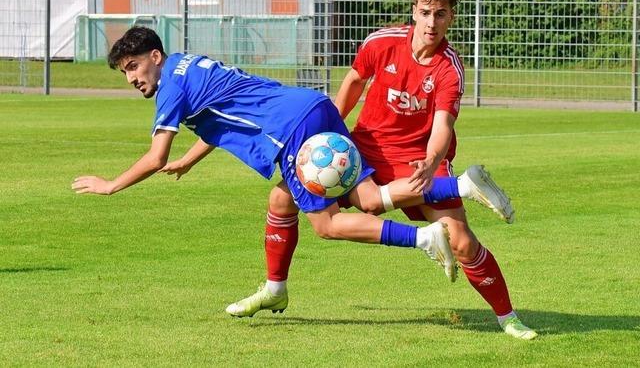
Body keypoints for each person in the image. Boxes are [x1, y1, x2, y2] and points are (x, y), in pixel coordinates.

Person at [71, 26, 506, 314]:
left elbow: (155, 156)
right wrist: (192, 158)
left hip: (291, 135)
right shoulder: (189, 63)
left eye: (133, 67)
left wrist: (110, 185)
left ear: (155, 56)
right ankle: (462, 184)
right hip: (313, 108)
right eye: (123, 73)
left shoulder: (170, 87)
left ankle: (424, 238)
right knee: (338, 199)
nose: (131, 78)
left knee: (327, 225)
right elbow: (221, 116)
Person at [228, 0, 536, 340]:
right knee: (282, 197)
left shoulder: (449, 68)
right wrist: (328, 134)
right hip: (364, 150)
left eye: (440, 15)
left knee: (462, 241)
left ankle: (508, 317)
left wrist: (431, 157)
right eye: (425, 13)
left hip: (418, 160)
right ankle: (275, 289)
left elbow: (442, 126)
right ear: (413, 12)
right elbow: (354, 81)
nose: (431, 23)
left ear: (451, 18)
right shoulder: (382, 42)